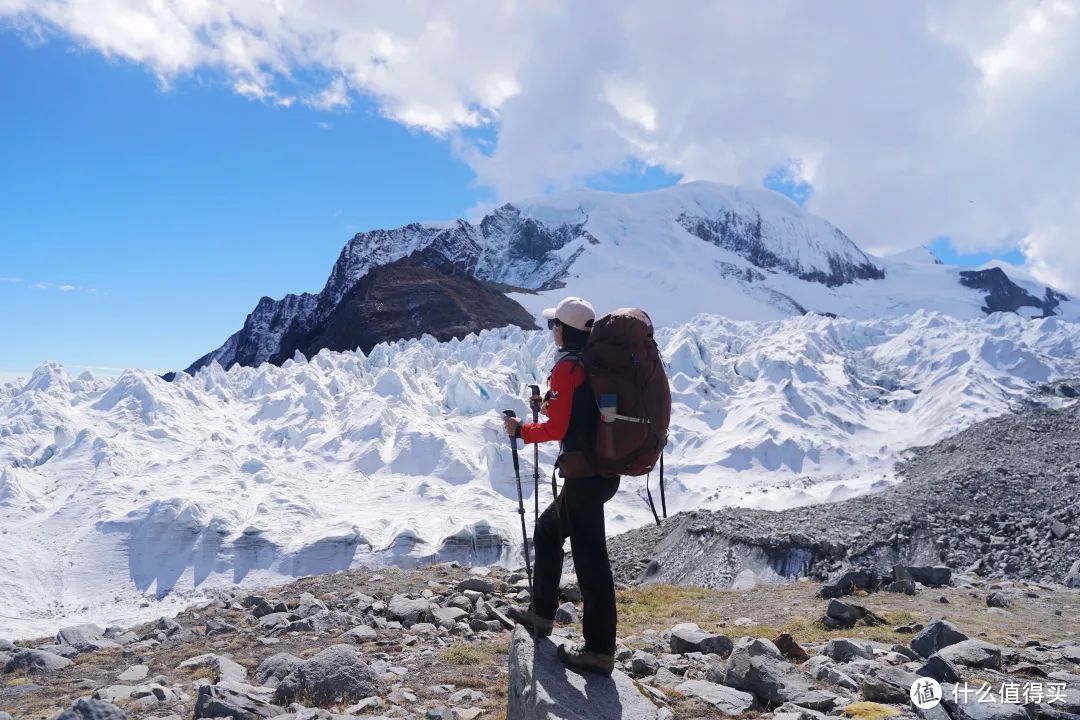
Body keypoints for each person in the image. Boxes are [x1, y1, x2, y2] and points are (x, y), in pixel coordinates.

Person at [501, 296, 620, 676]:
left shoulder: (568, 368)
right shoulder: (588, 364)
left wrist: (522, 430)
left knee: (591, 561)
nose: (552, 329)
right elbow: (575, 413)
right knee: (549, 529)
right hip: (599, 471)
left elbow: (558, 429)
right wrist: (549, 404)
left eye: (554, 325)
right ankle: (541, 614)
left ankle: (600, 650)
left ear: (564, 331)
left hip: (585, 475)